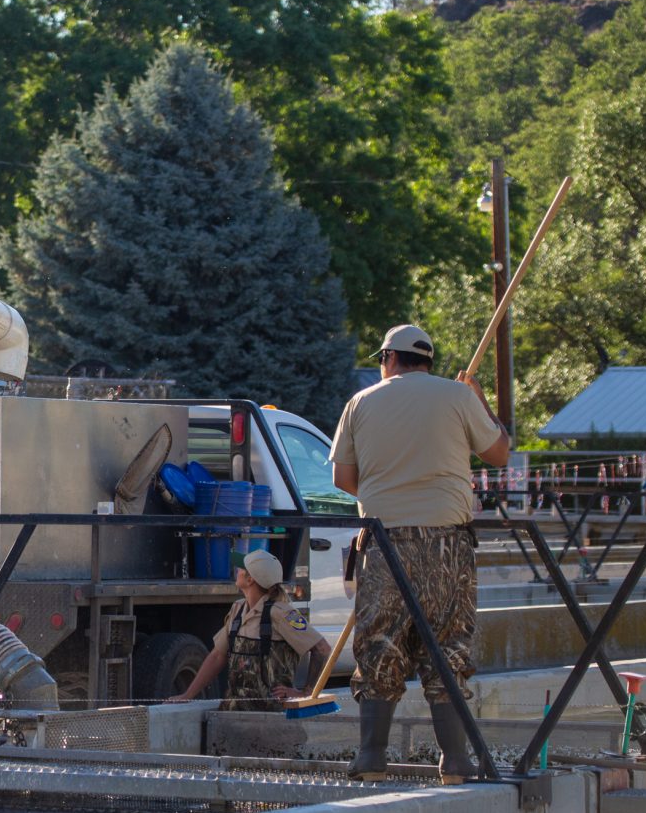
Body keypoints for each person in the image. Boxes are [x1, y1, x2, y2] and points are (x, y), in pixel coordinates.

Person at [330, 324, 510, 784]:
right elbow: (499, 454)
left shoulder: (361, 402)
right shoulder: (457, 396)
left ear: (388, 358)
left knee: (379, 644)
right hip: (448, 543)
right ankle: (455, 761)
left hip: (385, 542)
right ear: (427, 360)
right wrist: (478, 396)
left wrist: (384, 491)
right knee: (447, 644)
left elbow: (344, 480)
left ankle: (371, 757)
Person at [166, 549, 331, 710]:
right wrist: (187, 695)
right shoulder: (237, 609)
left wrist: (307, 693)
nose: (236, 571)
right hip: (234, 710)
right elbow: (217, 656)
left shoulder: (282, 613)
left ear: (250, 579)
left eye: (241, 568)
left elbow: (322, 649)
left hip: (272, 715)